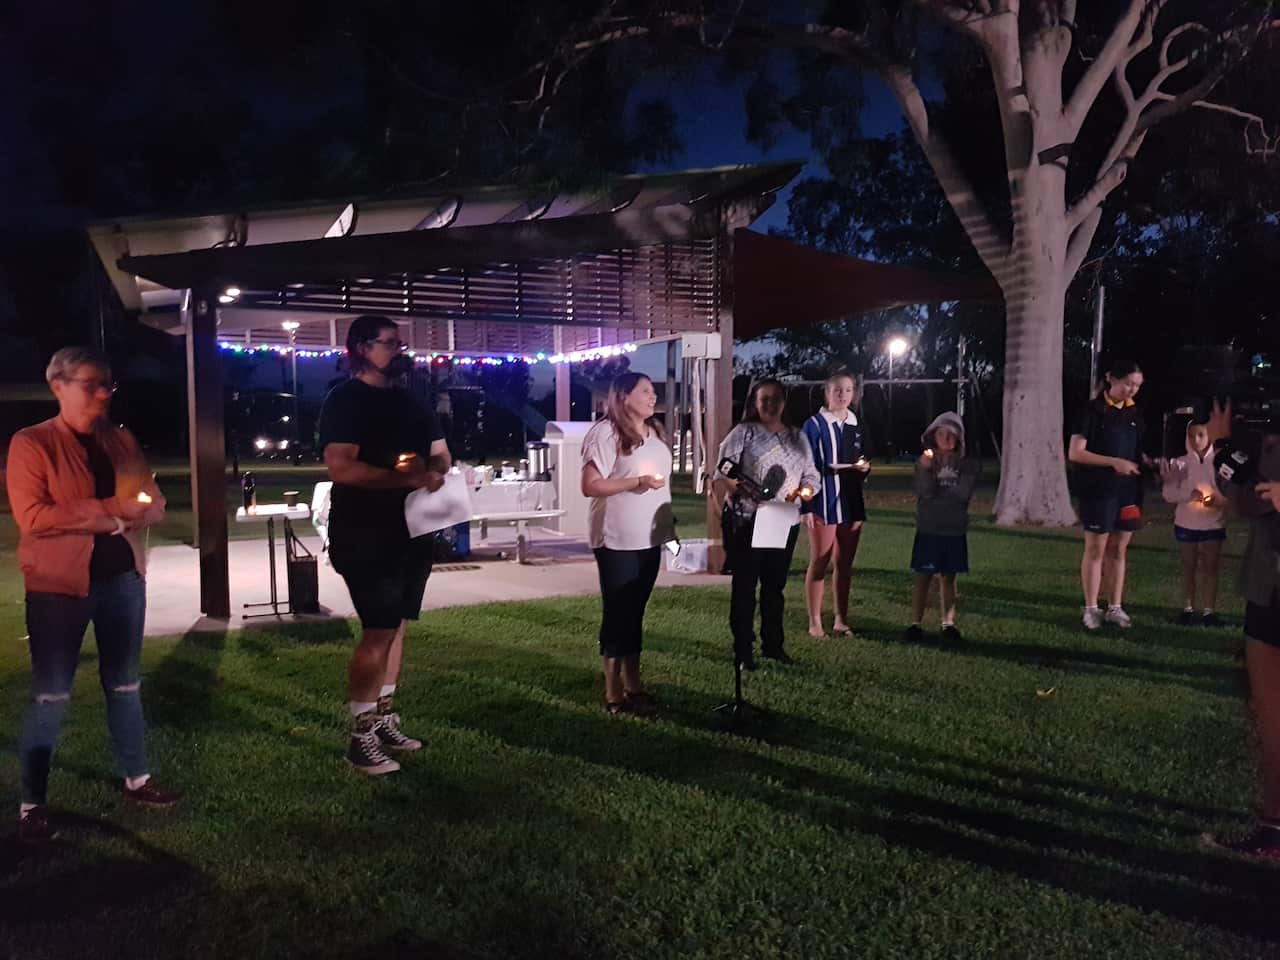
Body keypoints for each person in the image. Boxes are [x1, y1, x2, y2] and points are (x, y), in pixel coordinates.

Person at [5, 347, 178, 843]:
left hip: (122, 580)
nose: (102, 394)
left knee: (125, 683)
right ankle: (33, 802)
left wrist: (138, 512)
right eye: (91, 384)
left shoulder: (120, 440)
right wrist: (110, 511)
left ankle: (137, 780)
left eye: (108, 385)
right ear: (57, 385)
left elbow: (153, 499)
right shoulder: (31, 443)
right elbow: (35, 517)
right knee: (51, 692)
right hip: (59, 588)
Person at [318, 315, 451, 776]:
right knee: (377, 628)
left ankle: (385, 714)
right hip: (364, 532)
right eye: (387, 343)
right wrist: (402, 477)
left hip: (413, 531)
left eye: (399, 342)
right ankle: (360, 733)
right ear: (360, 348)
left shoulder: (413, 401)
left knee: (397, 626)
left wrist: (432, 469)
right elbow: (342, 468)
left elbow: (441, 452)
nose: (397, 350)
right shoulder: (345, 400)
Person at [1204, 417, 1280, 859]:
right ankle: (1273, 828)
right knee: (1271, 723)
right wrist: (1223, 448)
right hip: (1267, 587)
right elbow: (1252, 501)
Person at [580, 373, 674, 715]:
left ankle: (634, 686)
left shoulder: (655, 434)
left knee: (636, 612)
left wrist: (669, 532)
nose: (653, 396)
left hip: (649, 537)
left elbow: (661, 491)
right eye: (645, 391)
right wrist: (636, 481)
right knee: (618, 611)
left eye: (653, 390)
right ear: (623, 397)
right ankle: (612, 691)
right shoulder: (606, 433)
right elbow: (590, 485)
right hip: (616, 538)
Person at [715, 378, 820, 669]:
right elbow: (723, 469)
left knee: (775, 587)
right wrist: (738, 488)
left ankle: (773, 645)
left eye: (775, 399)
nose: (770, 405)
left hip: (784, 520)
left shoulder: (798, 437)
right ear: (755, 403)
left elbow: (811, 474)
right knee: (746, 586)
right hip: (748, 520)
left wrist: (806, 490)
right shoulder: (743, 432)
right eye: (764, 400)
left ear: (784, 402)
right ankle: (743, 649)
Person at [1068, 357, 1146, 632]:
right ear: (1111, 378)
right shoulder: (1091, 411)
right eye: (1127, 384)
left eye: (1137, 385)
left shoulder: (1135, 415)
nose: (1132, 390)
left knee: (1118, 550)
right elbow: (1076, 452)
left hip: (1128, 494)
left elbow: (1138, 454)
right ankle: (1091, 608)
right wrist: (1113, 462)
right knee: (1096, 549)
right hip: (1098, 492)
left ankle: (1115, 606)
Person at [801, 370, 872, 638]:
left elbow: (864, 458)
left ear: (854, 394)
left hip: (851, 501)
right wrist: (806, 506)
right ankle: (815, 620)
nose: (843, 395)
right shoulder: (814, 424)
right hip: (824, 501)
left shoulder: (856, 423)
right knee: (820, 561)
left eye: (848, 390)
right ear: (827, 393)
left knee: (845, 564)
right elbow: (804, 466)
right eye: (837, 390)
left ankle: (841, 619)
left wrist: (864, 468)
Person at [905, 412, 979, 643]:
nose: (946, 438)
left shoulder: (967, 464)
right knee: (923, 576)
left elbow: (962, 494)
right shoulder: (925, 462)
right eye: (941, 433)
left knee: (948, 578)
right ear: (933, 436)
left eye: (951, 434)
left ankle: (948, 623)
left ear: (959, 438)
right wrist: (926, 470)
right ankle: (915, 624)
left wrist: (939, 488)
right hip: (929, 528)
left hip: (954, 529)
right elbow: (924, 491)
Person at [1160, 420, 1226, 626]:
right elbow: (1168, 494)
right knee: (1189, 566)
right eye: (1192, 436)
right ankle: (1187, 608)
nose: (1196, 440)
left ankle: (1209, 611)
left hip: (1213, 523)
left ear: (1209, 436)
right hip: (1186, 523)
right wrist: (1189, 494)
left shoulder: (1219, 462)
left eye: (1201, 435)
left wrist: (1218, 501)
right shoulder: (1180, 463)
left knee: (1211, 567)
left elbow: (1228, 493)